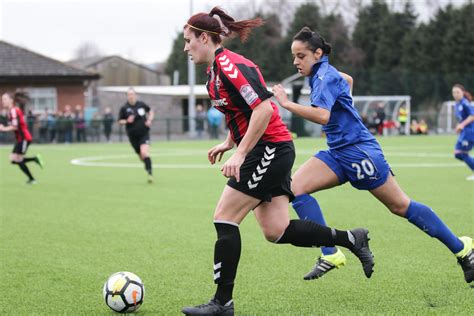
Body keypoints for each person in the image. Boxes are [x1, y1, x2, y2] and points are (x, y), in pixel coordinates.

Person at [180, 8, 375, 316]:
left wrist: (240, 154)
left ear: (204, 37)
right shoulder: (212, 75)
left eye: (188, 40)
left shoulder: (231, 65)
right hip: (268, 149)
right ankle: (351, 238)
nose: (186, 47)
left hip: (270, 149)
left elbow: (264, 111)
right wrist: (228, 143)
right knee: (276, 230)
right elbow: (240, 113)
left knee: (225, 217)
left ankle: (222, 303)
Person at [272, 27, 473, 284]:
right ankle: (330, 253)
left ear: (318, 53)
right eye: (294, 56)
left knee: (400, 206)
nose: (295, 62)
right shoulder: (323, 73)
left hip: (359, 152)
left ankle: (462, 249)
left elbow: (322, 115)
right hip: (338, 152)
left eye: (300, 56)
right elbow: (348, 80)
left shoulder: (324, 77)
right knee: (296, 188)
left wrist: (286, 103)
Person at [0, 91, 43, 184]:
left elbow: (15, 126)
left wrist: (3, 129)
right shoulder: (11, 111)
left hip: (24, 138)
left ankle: (32, 179)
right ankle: (35, 159)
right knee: (12, 160)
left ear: (11, 100)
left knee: (18, 160)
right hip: (20, 139)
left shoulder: (13, 110)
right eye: (2, 99)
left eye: (4, 99)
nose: (2, 101)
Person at [118, 88, 155, 183]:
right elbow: (119, 121)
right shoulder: (124, 108)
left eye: (132, 94)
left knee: (144, 153)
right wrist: (126, 121)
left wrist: (149, 120)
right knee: (141, 156)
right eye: (129, 94)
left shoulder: (141, 105)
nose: (131, 96)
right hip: (132, 136)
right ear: (127, 96)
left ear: (135, 95)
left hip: (144, 133)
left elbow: (150, 111)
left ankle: (150, 174)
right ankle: (147, 165)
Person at [452, 84, 474, 180]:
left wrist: (462, 125)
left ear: (462, 93)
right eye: (454, 92)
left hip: (470, 132)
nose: (455, 94)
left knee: (462, 153)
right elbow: (462, 118)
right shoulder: (457, 104)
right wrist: (459, 126)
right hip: (464, 133)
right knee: (457, 153)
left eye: (458, 92)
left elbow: (472, 116)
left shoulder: (465, 103)